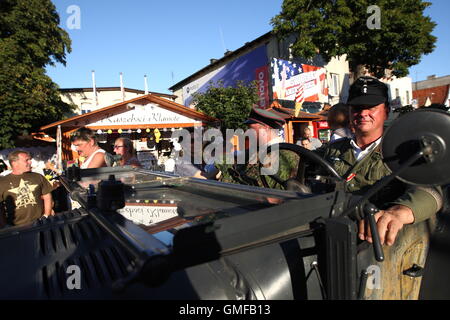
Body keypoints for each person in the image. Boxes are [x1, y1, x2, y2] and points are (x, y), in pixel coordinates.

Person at [317, 76, 442, 246]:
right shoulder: (334, 149)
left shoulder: (403, 151)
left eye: (371, 107)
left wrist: (397, 213)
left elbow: (430, 191)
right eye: (357, 108)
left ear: (387, 111)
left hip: (375, 243)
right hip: (329, 234)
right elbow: (303, 165)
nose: (363, 113)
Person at [0, 150, 54, 227]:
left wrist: (46, 215)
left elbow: (47, 196)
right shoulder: (2, 182)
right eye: (27, 160)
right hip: (15, 227)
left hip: (40, 223)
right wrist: (4, 225)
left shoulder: (38, 177)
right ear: (15, 163)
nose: (30, 162)